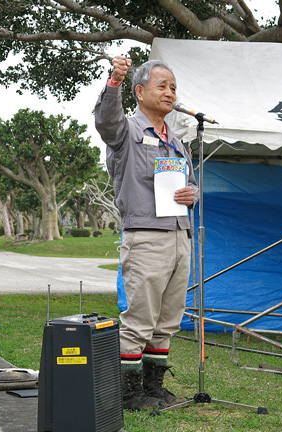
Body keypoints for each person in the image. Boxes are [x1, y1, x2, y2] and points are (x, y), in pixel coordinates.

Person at [94, 56, 198, 411]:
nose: (170, 92)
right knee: (139, 318)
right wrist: (114, 82)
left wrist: (192, 194)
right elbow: (106, 122)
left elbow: (190, 186)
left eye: (173, 87)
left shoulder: (178, 142)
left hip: (179, 235)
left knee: (168, 318)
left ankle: (155, 389)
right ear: (139, 92)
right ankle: (128, 392)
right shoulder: (127, 131)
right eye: (162, 86)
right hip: (145, 235)